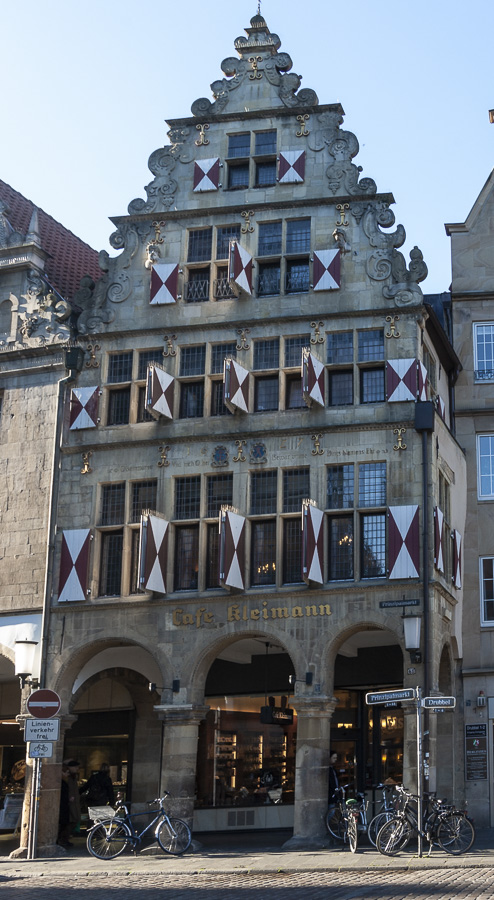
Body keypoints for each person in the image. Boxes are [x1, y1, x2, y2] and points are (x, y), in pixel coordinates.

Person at [64, 759, 81, 836]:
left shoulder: (73, 776)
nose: (77, 769)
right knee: (72, 820)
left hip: (74, 801)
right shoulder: (68, 776)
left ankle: (66, 837)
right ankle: (64, 837)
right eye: (76, 767)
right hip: (70, 802)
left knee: (74, 819)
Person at [57, 765, 72, 849]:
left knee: (63, 824)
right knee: (62, 824)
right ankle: (59, 840)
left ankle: (60, 840)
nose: (68, 774)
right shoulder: (62, 783)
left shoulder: (63, 782)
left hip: (64, 805)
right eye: (66, 772)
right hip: (63, 806)